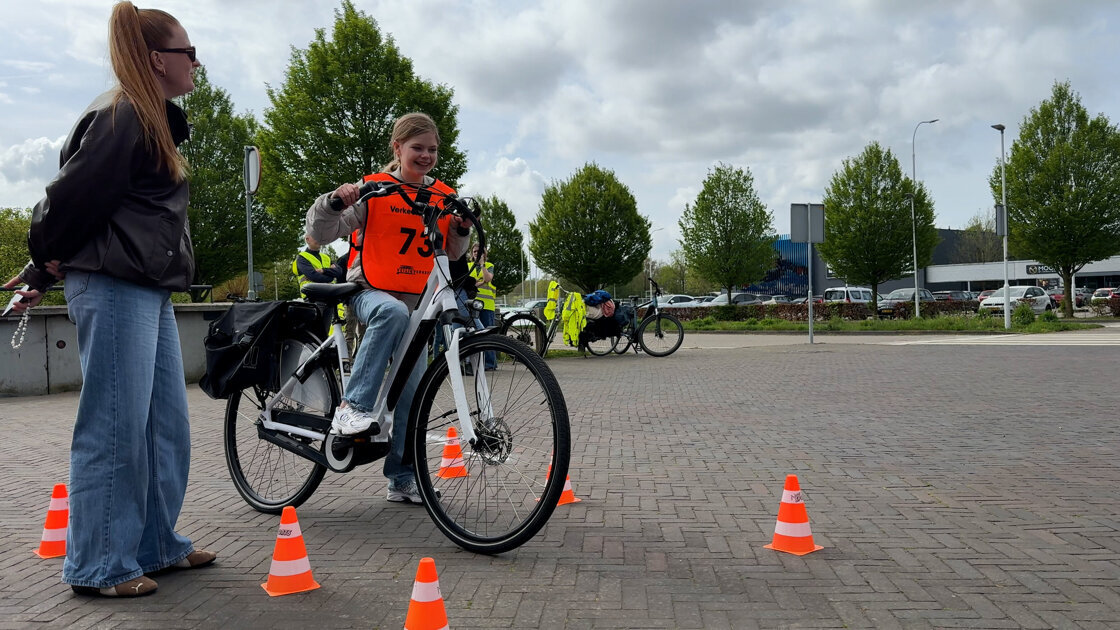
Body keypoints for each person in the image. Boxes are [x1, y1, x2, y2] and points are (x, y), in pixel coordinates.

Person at [3, 2, 214, 598]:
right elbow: (70, 199)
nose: (197, 64)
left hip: (146, 287)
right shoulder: (123, 116)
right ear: (157, 59)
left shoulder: (148, 118)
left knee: (165, 428)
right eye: (189, 52)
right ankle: (99, 563)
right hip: (115, 283)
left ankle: (153, 543)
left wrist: (44, 266)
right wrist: (43, 261)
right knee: (115, 428)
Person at [304, 112, 472, 504]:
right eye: (418, 148)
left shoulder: (442, 195)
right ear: (397, 148)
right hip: (370, 292)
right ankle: (353, 406)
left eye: (432, 149)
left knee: (413, 392)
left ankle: (401, 477)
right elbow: (319, 233)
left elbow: (451, 251)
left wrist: (462, 228)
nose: (426, 155)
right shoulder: (374, 190)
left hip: (418, 304)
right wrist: (332, 202)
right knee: (390, 312)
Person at [468, 243, 498, 370]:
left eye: (479, 252)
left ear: (484, 254)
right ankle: (475, 362)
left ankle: (490, 363)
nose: (476, 253)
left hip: (487, 306)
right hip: (472, 305)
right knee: (473, 333)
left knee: (487, 334)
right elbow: (469, 284)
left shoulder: (489, 266)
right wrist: (481, 282)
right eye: (474, 251)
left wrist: (482, 265)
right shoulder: (468, 266)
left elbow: (488, 278)